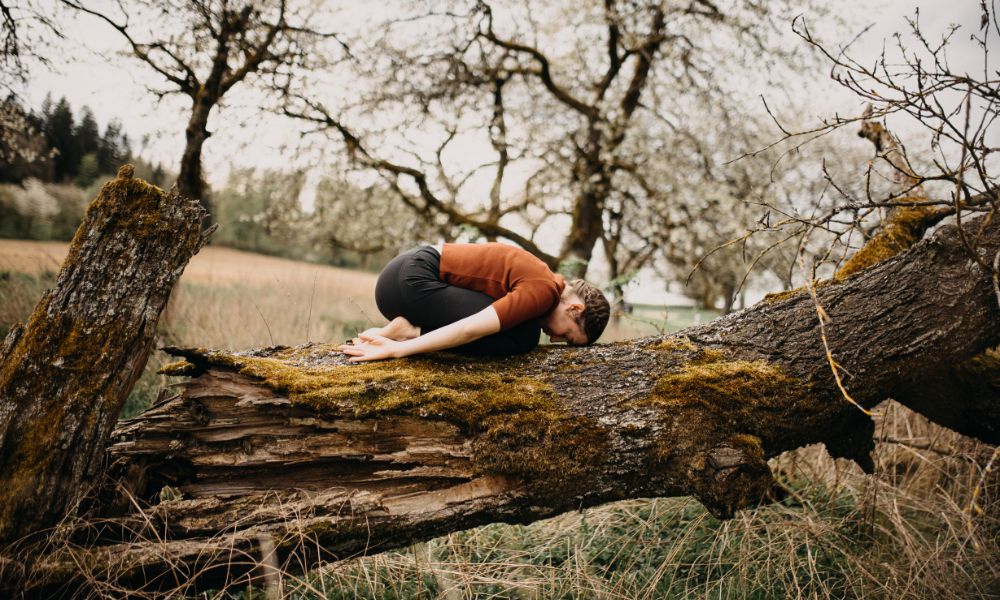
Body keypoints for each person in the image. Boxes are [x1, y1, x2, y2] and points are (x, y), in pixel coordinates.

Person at [338, 242, 610, 362]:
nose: (554, 340)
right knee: (525, 336)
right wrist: (399, 350)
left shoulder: (542, 278)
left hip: (396, 279)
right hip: (415, 280)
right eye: (567, 336)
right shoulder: (544, 290)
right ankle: (409, 331)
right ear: (574, 308)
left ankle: (407, 328)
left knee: (524, 330)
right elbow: (471, 328)